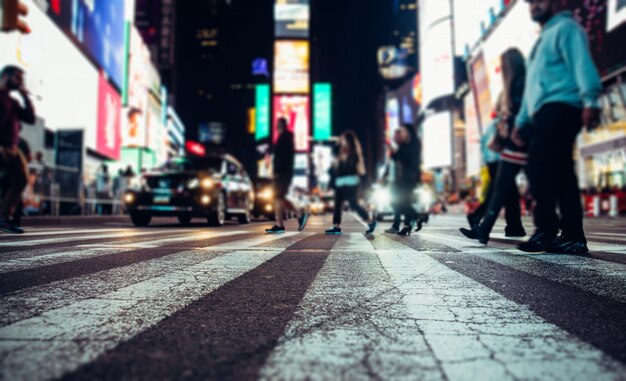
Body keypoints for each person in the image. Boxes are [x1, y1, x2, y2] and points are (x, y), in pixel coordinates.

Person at [511, 0, 602, 254]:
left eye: (539, 1)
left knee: (542, 167)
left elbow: (582, 64)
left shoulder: (567, 29)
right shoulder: (541, 42)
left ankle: (549, 230)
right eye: (529, 3)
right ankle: (569, 235)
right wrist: (521, 121)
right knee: (557, 171)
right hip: (543, 112)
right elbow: (532, 88)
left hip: (562, 106)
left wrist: (590, 99)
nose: (533, 6)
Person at [460, 48, 528, 244]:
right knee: (502, 188)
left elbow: (524, 110)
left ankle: (553, 228)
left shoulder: (521, 84)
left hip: (522, 140)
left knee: (544, 187)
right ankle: (485, 228)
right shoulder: (512, 86)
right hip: (513, 142)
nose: (501, 69)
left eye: (504, 64)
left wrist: (513, 124)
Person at [0, 65, 35, 234]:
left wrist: (26, 98)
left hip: (12, 148)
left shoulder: (13, 102)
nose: (21, 82)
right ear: (6, 76)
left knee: (21, 178)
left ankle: (4, 218)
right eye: (18, 78)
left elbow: (30, 118)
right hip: (2, 147)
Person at [326, 130, 376, 235]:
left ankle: (370, 221)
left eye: (343, 139)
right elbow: (334, 170)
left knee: (353, 204)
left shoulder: (352, 153)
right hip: (341, 182)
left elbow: (351, 169)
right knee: (338, 204)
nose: (341, 141)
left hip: (349, 183)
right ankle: (336, 226)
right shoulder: (340, 152)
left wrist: (338, 163)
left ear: (347, 141)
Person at [265, 117, 308, 234]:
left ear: (281, 126)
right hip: (284, 172)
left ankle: (284, 222)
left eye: (278, 125)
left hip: (282, 173)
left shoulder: (284, 138)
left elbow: (282, 158)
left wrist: (277, 172)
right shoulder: (286, 138)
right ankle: (295, 216)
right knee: (280, 197)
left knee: (278, 197)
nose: (277, 127)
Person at [387, 124, 421, 236]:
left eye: (403, 131)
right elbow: (397, 158)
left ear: (409, 132)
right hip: (402, 178)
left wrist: (397, 151)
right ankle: (413, 221)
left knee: (402, 202)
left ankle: (413, 220)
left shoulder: (415, 143)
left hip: (410, 177)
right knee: (399, 202)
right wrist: (392, 150)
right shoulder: (403, 145)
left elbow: (409, 159)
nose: (402, 133)